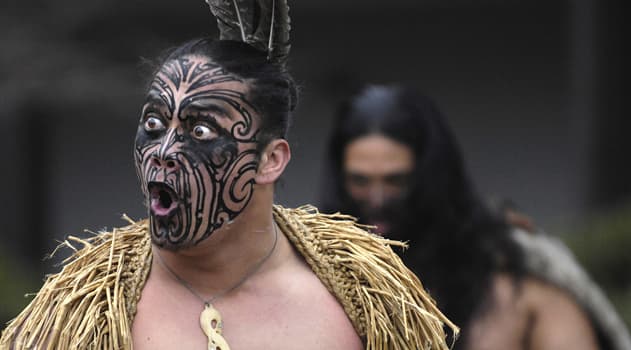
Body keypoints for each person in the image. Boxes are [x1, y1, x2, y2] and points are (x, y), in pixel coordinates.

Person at [0, 3, 455, 350]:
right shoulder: (80, 312)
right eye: (154, 125)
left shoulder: (361, 298)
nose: (164, 152)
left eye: (200, 131)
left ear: (270, 160)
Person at [320, 84, 631, 350]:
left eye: (396, 181)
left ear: (430, 177)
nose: (377, 200)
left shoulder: (512, 272)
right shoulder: (319, 273)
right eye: (360, 181)